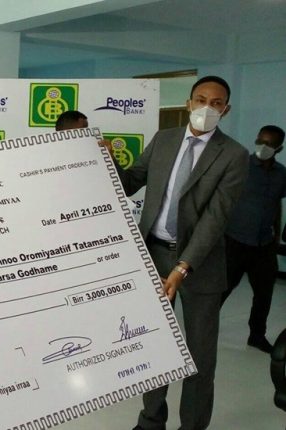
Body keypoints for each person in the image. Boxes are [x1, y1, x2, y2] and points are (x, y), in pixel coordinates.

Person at [108, 76, 249, 430]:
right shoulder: (164, 139)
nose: (206, 108)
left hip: (199, 265)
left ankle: (193, 426)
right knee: (155, 345)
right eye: (200, 99)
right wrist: (106, 161)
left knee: (199, 355)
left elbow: (215, 218)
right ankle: (151, 419)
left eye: (216, 103)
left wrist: (183, 267)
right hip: (154, 255)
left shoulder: (234, 155)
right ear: (188, 103)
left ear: (226, 110)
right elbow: (130, 182)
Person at [221, 125, 286, 353]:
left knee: (264, 294)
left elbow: (276, 203)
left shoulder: (281, 174)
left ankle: (256, 336)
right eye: (260, 141)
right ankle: (201, 330)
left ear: (279, 148)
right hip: (235, 241)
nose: (262, 146)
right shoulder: (240, 165)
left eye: (269, 144)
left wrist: (276, 234)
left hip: (264, 244)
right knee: (222, 289)